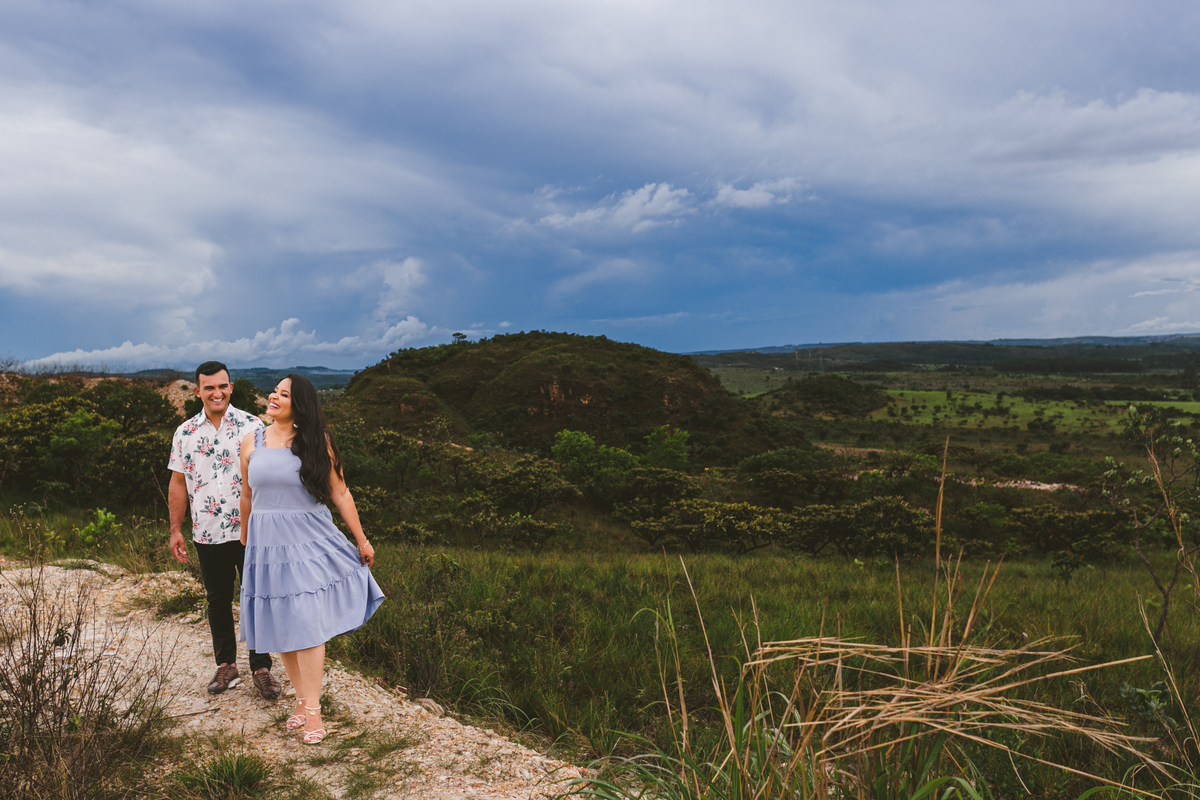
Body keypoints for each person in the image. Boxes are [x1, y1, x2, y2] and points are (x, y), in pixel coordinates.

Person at [238, 374, 384, 745]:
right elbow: (246, 494)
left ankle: (315, 713)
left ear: (298, 404)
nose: (273, 396)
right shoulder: (250, 441)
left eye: (283, 394)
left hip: (308, 542)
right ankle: (302, 703)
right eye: (274, 390)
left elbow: (341, 492)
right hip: (266, 546)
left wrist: (362, 539)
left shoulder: (317, 442)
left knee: (306, 623)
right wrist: (244, 536)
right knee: (282, 623)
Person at [168, 361, 282, 699]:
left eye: (223, 386)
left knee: (256, 598)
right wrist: (175, 529)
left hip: (251, 531)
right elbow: (177, 481)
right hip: (207, 531)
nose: (216, 393)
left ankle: (261, 668)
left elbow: (270, 475)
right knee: (217, 600)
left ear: (231, 387)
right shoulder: (185, 432)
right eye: (209, 387)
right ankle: (226, 665)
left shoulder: (253, 425)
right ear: (198, 391)